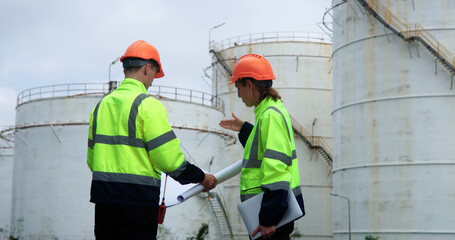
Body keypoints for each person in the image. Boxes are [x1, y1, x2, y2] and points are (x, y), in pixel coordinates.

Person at [87, 40, 218, 240]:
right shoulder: (147, 106)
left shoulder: (101, 107)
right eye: (155, 74)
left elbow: (92, 161)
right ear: (148, 68)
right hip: (137, 206)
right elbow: (169, 161)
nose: (153, 81)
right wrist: (201, 177)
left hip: (104, 204)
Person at [219, 54, 305, 239]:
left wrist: (268, 218)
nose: (239, 94)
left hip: (271, 221)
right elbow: (264, 147)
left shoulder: (269, 116)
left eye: (239, 88)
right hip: (271, 214)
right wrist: (244, 129)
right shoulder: (269, 111)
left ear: (249, 85)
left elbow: (276, 168)